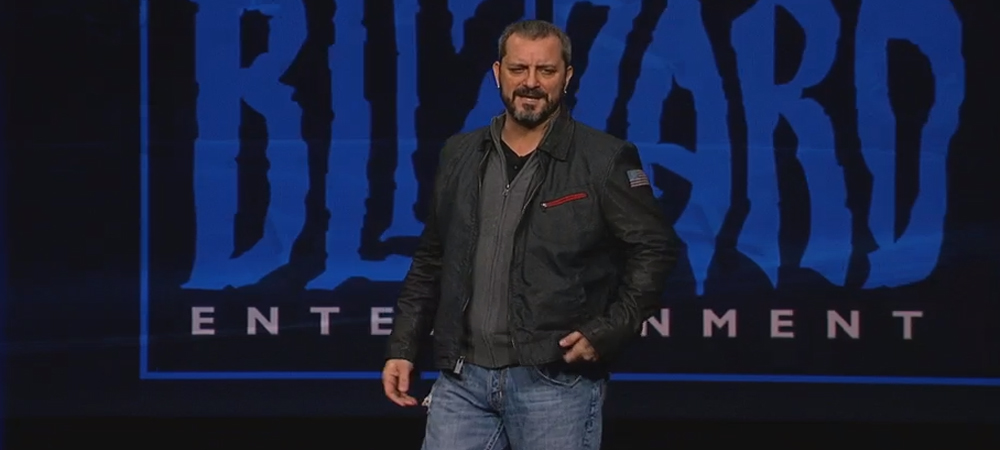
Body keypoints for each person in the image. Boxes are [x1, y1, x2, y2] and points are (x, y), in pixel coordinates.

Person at [382, 19, 680, 450]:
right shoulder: (460, 154)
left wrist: (608, 331)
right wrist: (403, 346)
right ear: (498, 72)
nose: (531, 83)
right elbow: (432, 258)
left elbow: (655, 249)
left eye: (546, 70)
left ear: (567, 76)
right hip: (462, 380)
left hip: (554, 381)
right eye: (519, 69)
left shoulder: (604, 158)